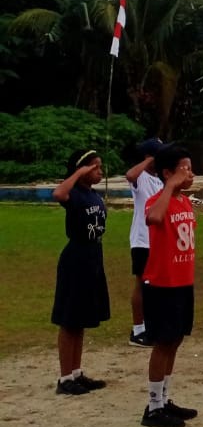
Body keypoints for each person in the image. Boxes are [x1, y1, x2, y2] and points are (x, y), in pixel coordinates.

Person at [141, 144, 199, 427]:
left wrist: (176, 189)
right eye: (184, 169)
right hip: (162, 284)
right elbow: (153, 218)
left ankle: (164, 398)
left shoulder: (185, 202)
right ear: (167, 173)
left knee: (175, 340)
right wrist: (169, 187)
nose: (190, 174)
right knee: (163, 343)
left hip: (182, 282)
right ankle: (152, 407)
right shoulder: (157, 200)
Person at [51, 149, 111, 395]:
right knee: (69, 319)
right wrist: (78, 173)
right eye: (94, 167)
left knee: (81, 318)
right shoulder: (74, 193)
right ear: (82, 169)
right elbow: (58, 194)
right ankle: (65, 378)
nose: (100, 171)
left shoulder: (92, 194)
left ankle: (76, 372)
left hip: (92, 257)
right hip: (76, 257)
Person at [125, 138, 164, 347]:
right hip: (142, 239)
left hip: (157, 239)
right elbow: (129, 175)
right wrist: (147, 161)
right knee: (141, 283)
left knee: (155, 285)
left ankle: (151, 325)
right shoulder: (140, 178)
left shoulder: (160, 180)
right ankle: (138, 329)